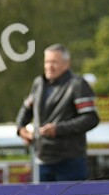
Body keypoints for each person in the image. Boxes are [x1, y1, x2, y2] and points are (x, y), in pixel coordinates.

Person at [16, 44, 99, 182]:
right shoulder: (39, 83)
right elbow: (26, 108)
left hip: (70, 161)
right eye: (47, 62)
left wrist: (58, 129)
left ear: (66, 64)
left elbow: (91, 118)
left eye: (54, 62)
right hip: (41, 159)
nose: (49, 66)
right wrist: (20, 129)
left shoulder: (77, 84)